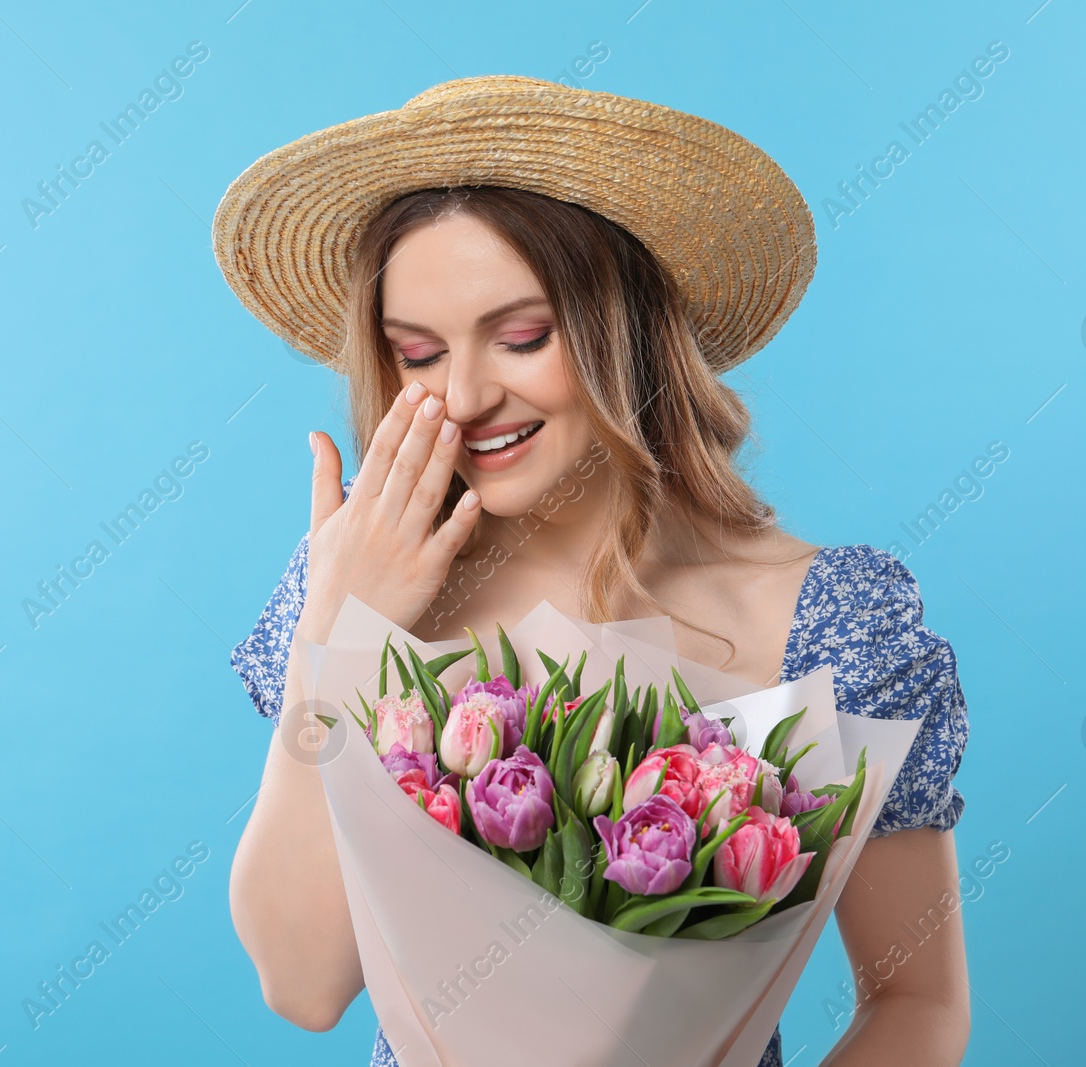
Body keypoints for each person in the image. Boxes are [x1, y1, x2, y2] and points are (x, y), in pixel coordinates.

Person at [214, 76, 970, 1067]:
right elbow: (301, 984)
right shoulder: (354, 582)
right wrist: (338, 636)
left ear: (627, 326)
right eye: (418, 353)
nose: (470, 393)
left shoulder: (830, 623)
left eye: (522, 336)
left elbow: (916, 998)